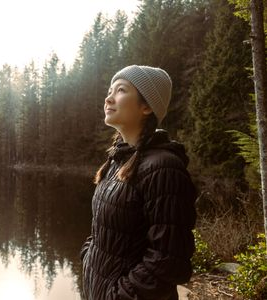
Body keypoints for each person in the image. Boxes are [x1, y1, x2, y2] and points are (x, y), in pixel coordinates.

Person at [80, 65, 197, 300]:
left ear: (146, 106)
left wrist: (118, 296)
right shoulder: (119, 160)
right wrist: (87, 259)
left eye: (120, 90)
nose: (108, 98)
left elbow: (168, 261)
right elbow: (101, 232)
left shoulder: (164, 168)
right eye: (110, 90)